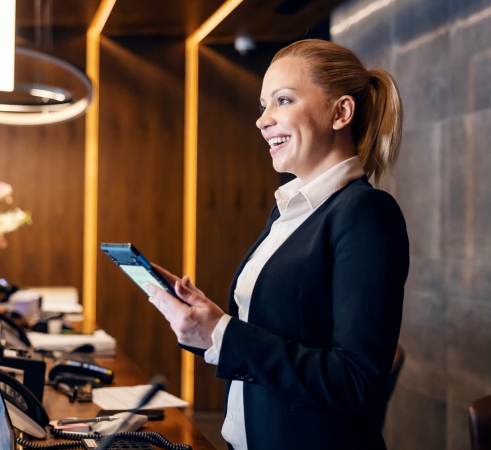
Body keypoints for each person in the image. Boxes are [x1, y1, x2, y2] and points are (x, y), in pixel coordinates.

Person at [147, 39, 410, 450]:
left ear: (341, 112)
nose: (263, 120)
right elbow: (273, 337)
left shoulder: (366, 214)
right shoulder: (290, 210)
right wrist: (208, 325)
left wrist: (224, 333)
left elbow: (356, 382)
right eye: (263, 105)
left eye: (282, 101)